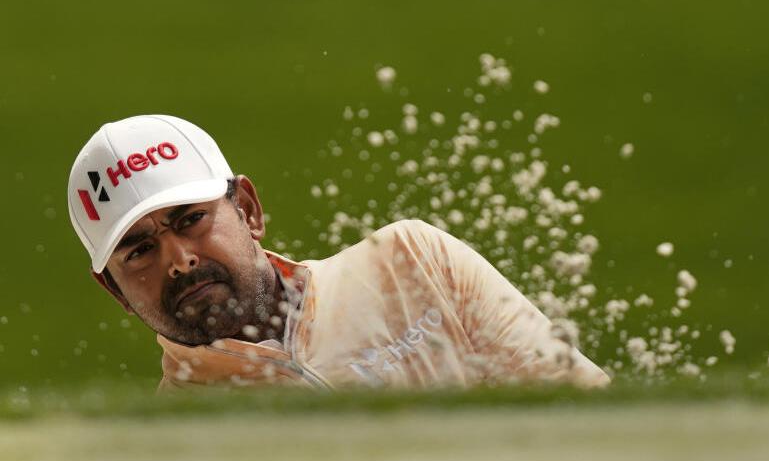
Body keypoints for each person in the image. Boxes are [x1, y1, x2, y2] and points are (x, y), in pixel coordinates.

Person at [67, 114, 609, 391]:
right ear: (113, 289)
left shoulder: (413, 261)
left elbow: (579, 416)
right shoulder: (165, 451)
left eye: (191, 220)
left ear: (249, 211)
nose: (180, 259)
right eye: (139, 250)